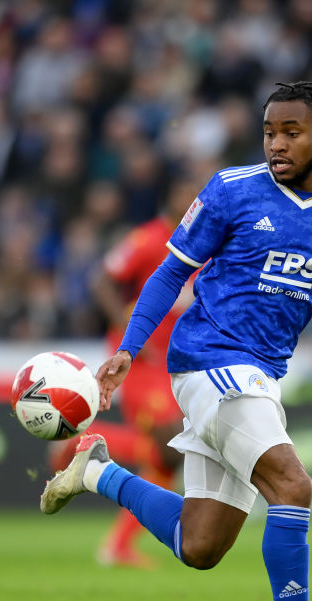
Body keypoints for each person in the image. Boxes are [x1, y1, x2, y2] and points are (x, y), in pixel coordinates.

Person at [41, 81, 312, 601]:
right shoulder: (230, 190)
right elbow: (171, 271)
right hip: (209, 361)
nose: (277, 143)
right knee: (293, 484)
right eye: (269, 132)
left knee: (199, 545)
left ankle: (96, 472)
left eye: (292, 132)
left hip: (262, 375)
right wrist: (127, 350)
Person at [47, 197, 197, 568]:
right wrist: (132, 333)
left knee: (167, 459)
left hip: (169, 359)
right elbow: (102, 278)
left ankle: (117, 546)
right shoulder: (147, 239)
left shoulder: (203, 242)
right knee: (169, 446)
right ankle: (79, 440)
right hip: (139, 356)